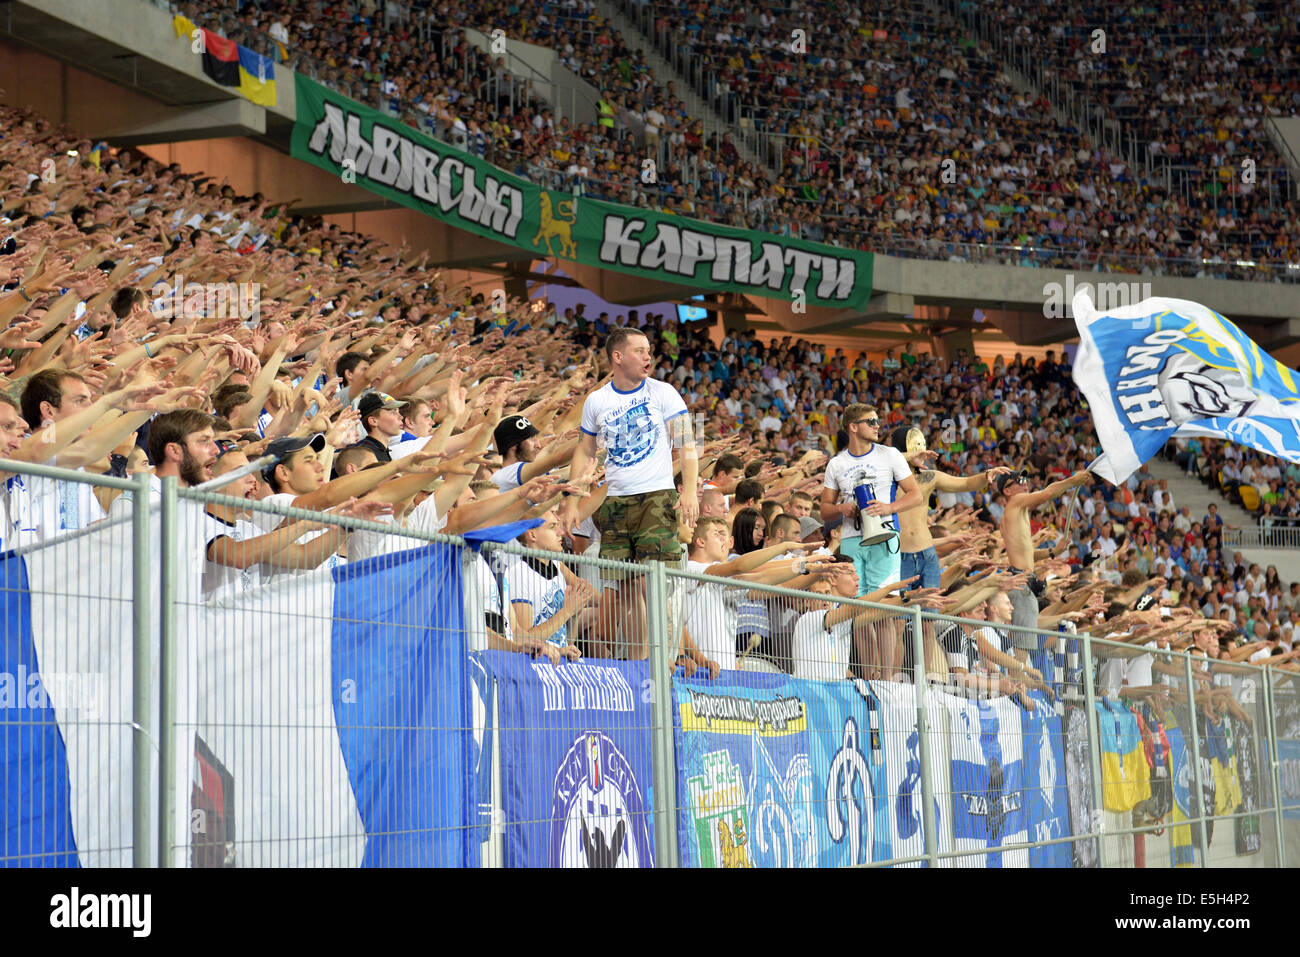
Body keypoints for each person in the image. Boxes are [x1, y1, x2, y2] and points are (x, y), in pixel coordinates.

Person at [570, 328, 698, 660]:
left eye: (649, 350)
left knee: (652, 583)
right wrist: (572, 499)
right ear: (617, 357)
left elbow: (687, 443)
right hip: (614, 503)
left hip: (656, 497)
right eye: (640, 351)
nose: (648, 357)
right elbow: (584, 452)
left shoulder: (664, 392)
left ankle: (664, 659)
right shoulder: (597, 400)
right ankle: (640, 660)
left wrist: (690, 493)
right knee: (621, 585)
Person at [819, 403, 922, 595]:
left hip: (885, 534)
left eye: (878, 421)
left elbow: (916, 495)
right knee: (855, 605)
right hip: (851, 538)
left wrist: (888, 508)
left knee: (884, 605)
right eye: (871, 421)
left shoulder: (890, 454)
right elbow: (825, 510)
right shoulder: (836, 464)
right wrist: (841, 509)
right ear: (853, 426)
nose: (877, 426)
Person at [998, 467, 1092, 645]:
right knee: (1022, 648)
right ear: (1007, 490)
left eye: (1025, 480)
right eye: (1019, 481)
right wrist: (1073, 480)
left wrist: (1053, 552)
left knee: (1022, 646)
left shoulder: (1016, 511)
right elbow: (1047, 493)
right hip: (1021, 583)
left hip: (1023, 582)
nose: (1025, 484)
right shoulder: (1016, 502)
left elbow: (1025, 553)